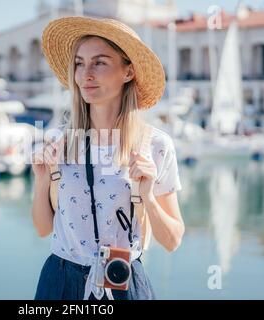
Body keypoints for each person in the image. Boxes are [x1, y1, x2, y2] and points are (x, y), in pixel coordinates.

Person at [31, 16, 185, 300]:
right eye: (79, 63)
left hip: (122, 281)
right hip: (60, 280)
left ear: (128, 72)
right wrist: (42, 179)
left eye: (99, 62)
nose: (86, 74)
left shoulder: (156, 145)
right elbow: (43, 229)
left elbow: (173, 241)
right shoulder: (59, 142)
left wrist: (148, 197)